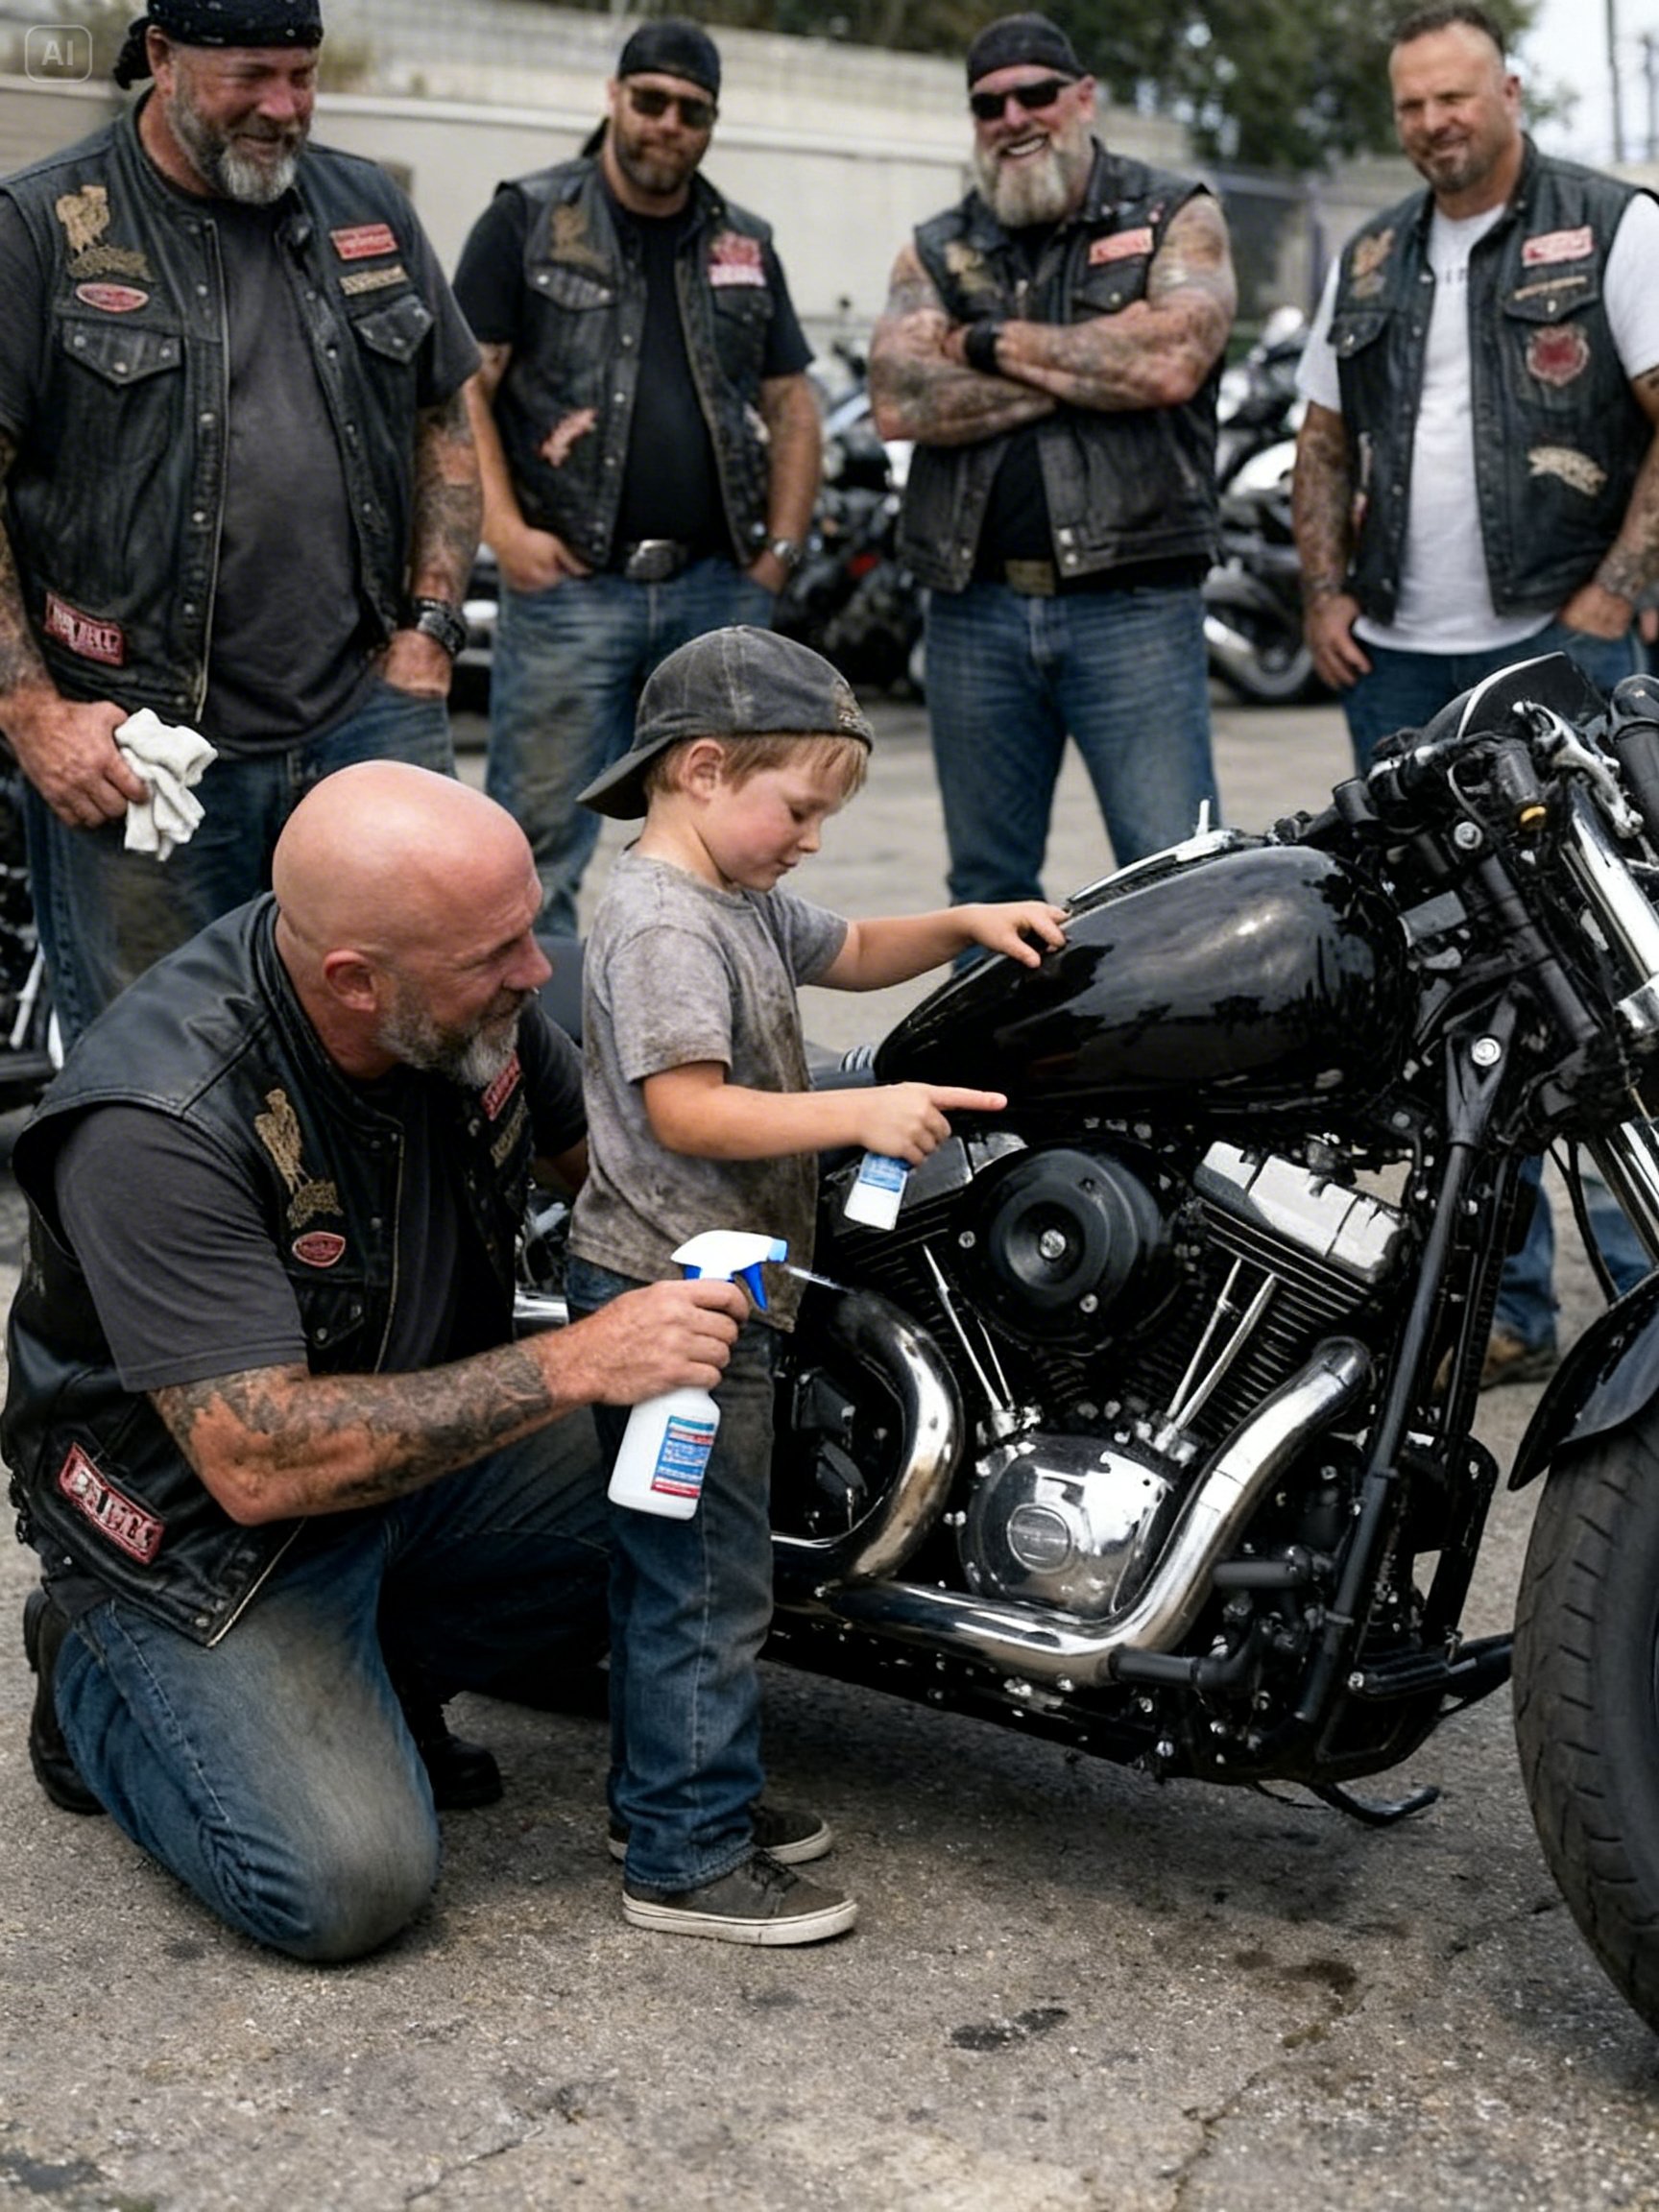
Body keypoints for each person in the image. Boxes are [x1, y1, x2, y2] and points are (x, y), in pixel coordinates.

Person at [2, 762, 746, 1962]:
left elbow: (611, 1171)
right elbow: (252, 1461)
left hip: (415, 1458)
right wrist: (576, 1362)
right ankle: (93, 1681)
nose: (536, 971)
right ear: (356, 981)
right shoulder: (161, 1122)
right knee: (349, 1886)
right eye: (496, 953)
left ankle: (373, 1669)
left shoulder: (465, 1013)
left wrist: (826, 1134)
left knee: (712, 1447)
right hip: (208, 1537)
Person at [565, 625, 1068, 1943]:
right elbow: (689, 1113)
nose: (811, 841)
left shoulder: (730, 891)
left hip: (725, 1284)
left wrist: (964, 921)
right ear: (704, 769)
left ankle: (677, 1788)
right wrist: (861, 1112)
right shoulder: (662, 923)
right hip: (674, 1302)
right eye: (798, 811)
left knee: (697, 1567)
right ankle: (682, 1851)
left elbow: (846, 947)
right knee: (704, 1579)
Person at [1292, 0, 1659, 1384]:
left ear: (1507, 88)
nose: (1436, 123)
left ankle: (1645, 1295)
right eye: (1412, 106)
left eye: (1456, 96)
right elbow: (1323, 436)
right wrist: (1325, 593)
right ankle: (1506, 1314)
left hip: (1561, 654)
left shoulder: (1612, 223)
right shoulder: (1375, 251)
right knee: (1448, 987)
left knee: (1605, 969)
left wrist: (1615, 598)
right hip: (1400, 662)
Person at [0, 0, 483, 1047]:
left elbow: (442, 419)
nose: (284, 109)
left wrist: (430, 630)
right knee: (156, 1072)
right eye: (253, 77)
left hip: (366, 716)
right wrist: (31, 709)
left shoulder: (368, 207)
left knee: (407, 1043)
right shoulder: (43, 222)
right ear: (163, 60)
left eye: (303, 77)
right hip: (139, 741)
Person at [452, 18, 822, 937]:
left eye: (691, 111)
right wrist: (503, 530)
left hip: (717, 590)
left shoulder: (743, 240)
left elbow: (792, 403)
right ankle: (545, 1069)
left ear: (710, 123)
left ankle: (707, 1046)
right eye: (650, 101)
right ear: (615, 99)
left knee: (732, 843)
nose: (668, 124)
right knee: (538, 846)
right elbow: (464, 390)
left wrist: (776, 552)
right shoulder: (528, 219)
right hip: (572, 589)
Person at [867, 11, 1236, 910]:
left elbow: (1171, 361)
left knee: (1179, 874)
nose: (1013, 116)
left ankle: (1195, 1058)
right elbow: (898, 398)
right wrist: (1091, 360)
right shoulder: (939, 243)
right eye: (989, 103)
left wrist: (980, 344)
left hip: (1134, 601)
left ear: (1082, 98)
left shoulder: (1171, 213)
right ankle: (994, 1062)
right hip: (974, 611)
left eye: (1035, 93)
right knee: (987, 887)